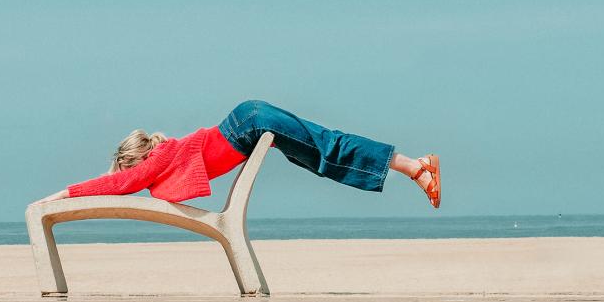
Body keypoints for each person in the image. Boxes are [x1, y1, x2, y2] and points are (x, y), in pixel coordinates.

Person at [42, 99, 441, 208]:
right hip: (248, 121)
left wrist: (64, 193)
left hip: (248, 123)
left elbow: (121, 184)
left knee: (326, 148)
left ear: (136, 160)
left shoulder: (160, 159)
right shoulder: (167, 160)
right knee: (319, 155)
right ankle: (414, 166)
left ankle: (414, 167)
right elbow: (126, 182)